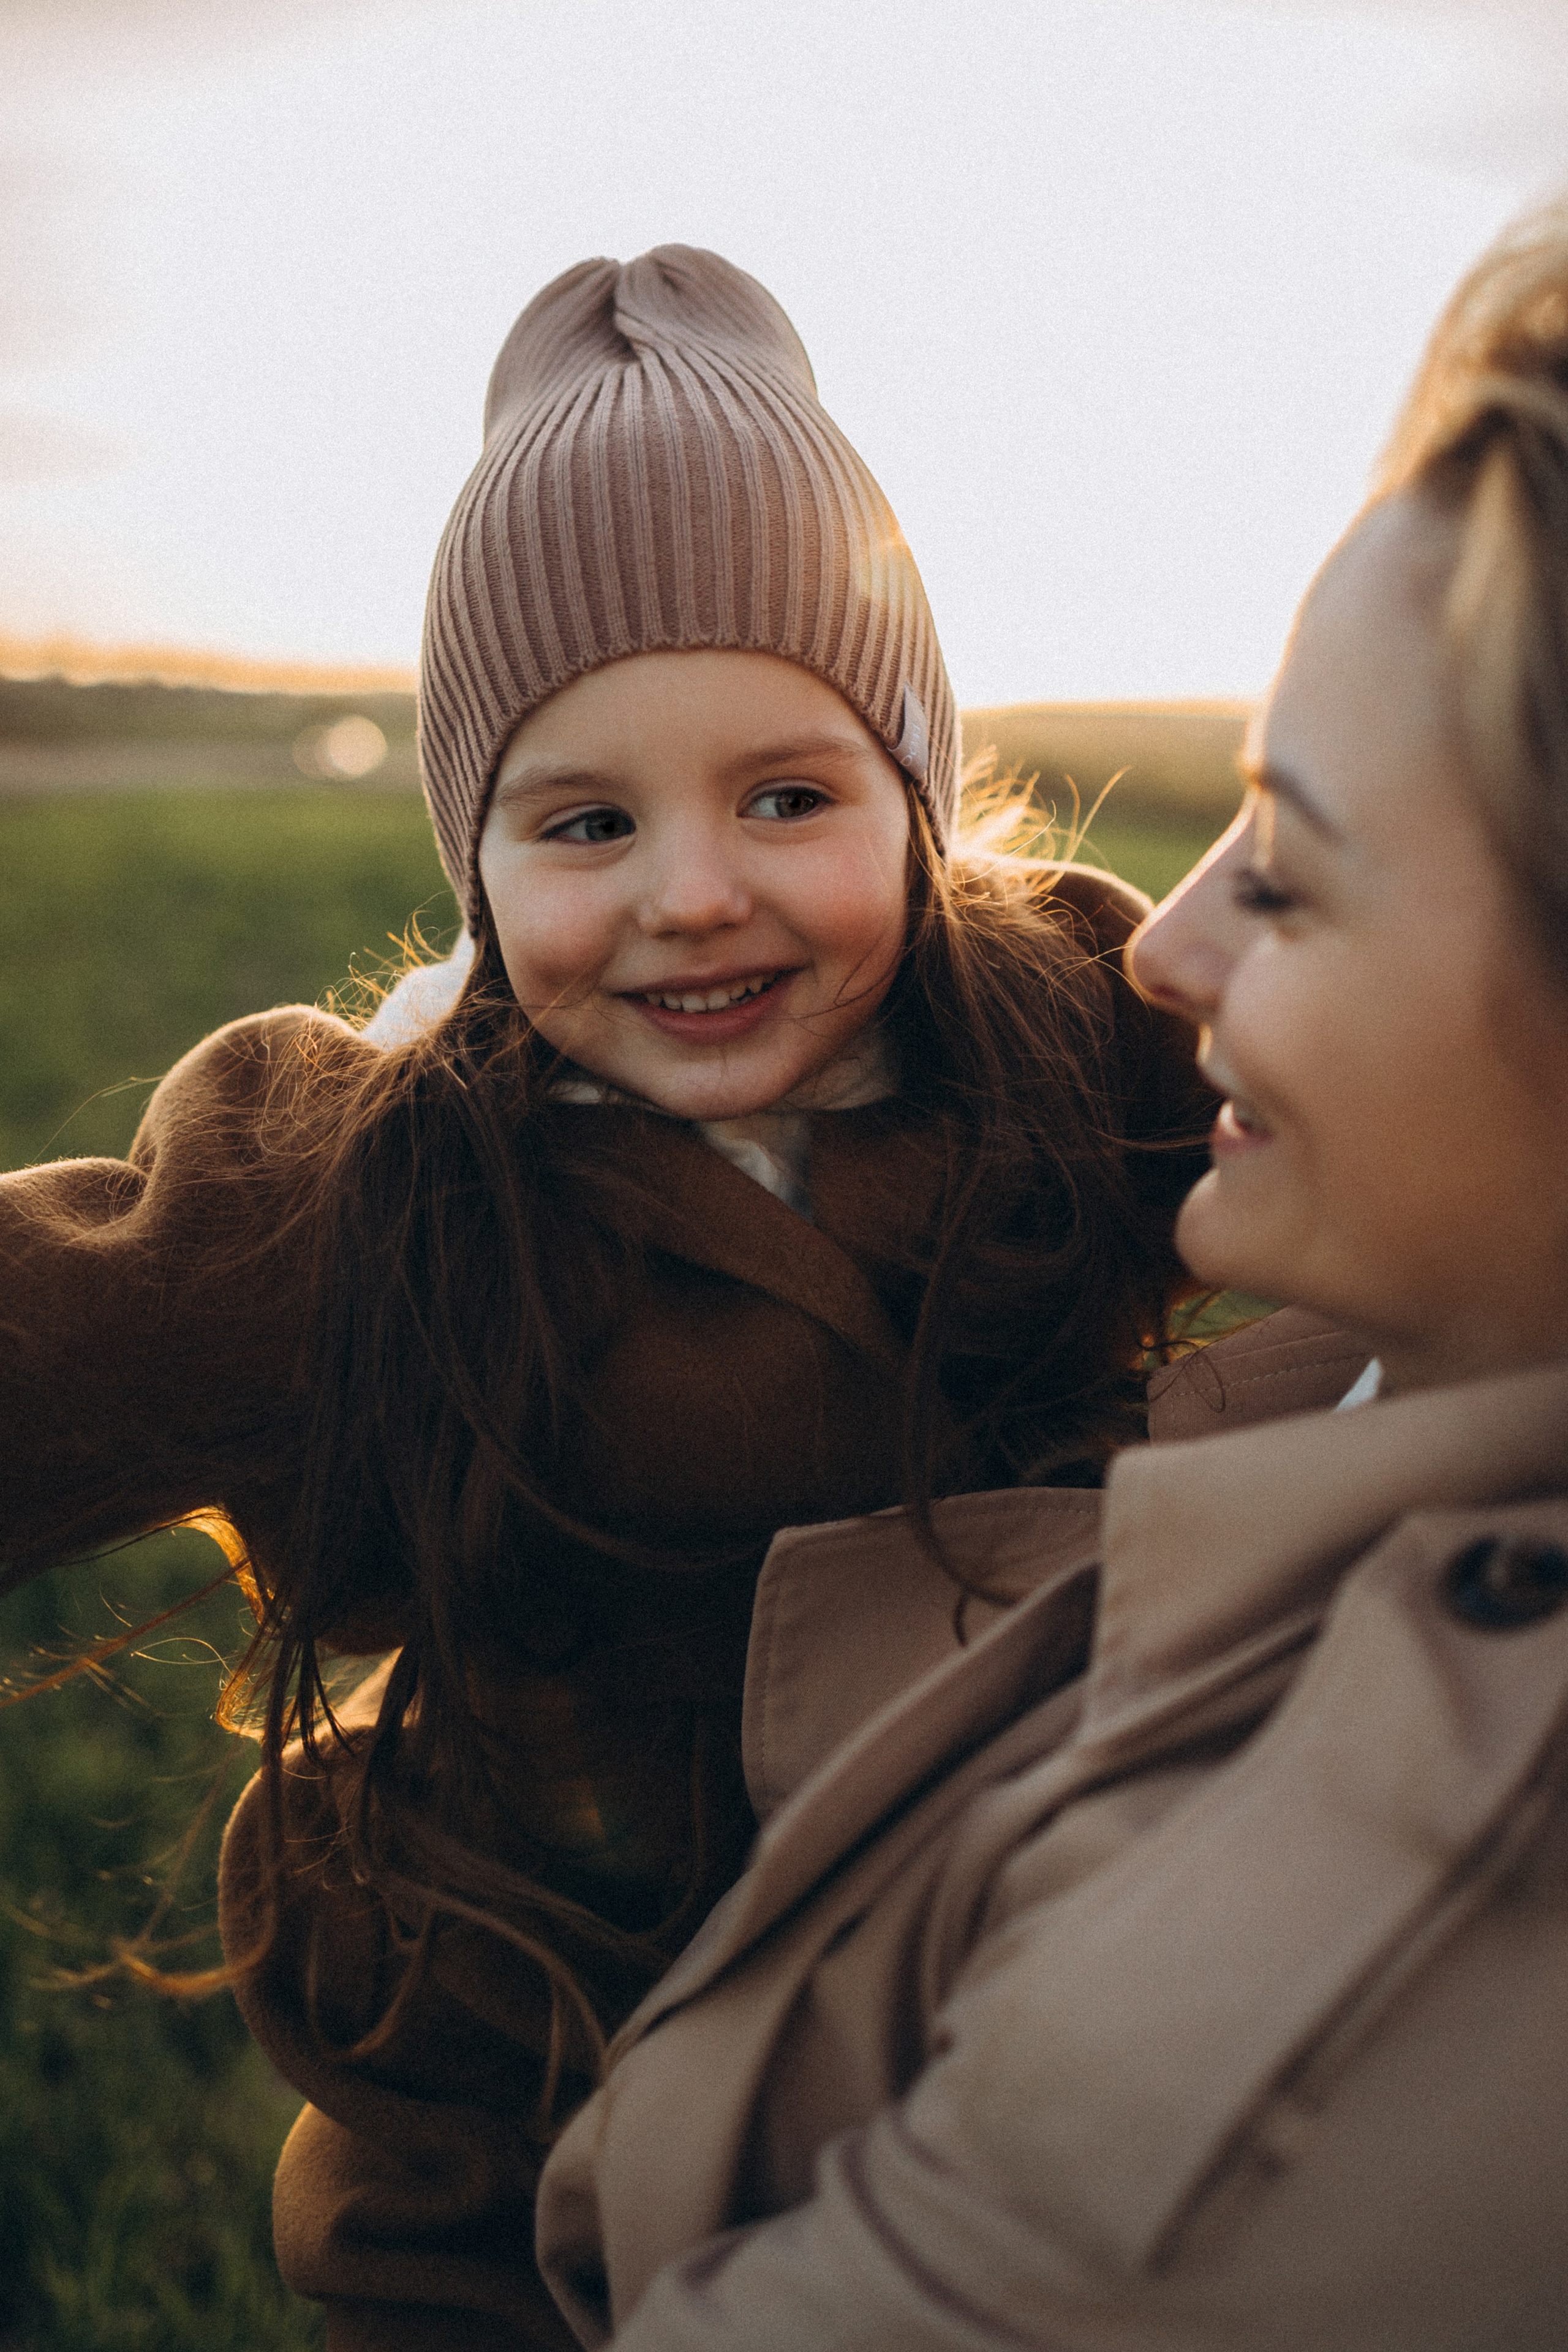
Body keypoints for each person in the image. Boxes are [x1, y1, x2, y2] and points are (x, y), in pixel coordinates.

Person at [0, 247, 1211, 2348]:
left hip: (1008, 2068)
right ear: (479, 862)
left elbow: (1397, 1083)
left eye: (787, 795)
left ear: (918, 793)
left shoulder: (1077, 1028)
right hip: (524, 2130)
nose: (692, 889)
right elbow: (53, 1322)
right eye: (586, 819)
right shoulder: (367, 1183)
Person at [532, 204, 1568, 2351]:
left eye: (1285, 861)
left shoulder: (1236, 2112)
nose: (1165, 956)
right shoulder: (1358, 1399)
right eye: (581, 824)